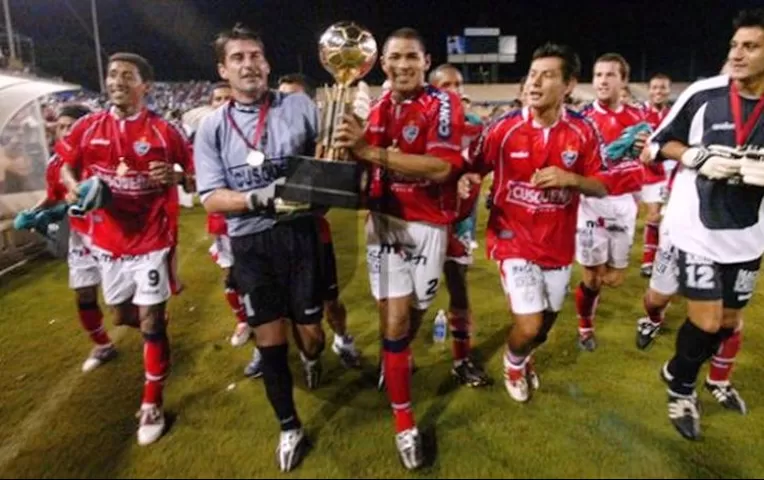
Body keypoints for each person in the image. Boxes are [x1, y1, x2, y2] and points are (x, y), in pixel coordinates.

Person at [193, 24, 326, 472]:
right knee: (271, 341)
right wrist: (257, 198)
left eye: (255, 55)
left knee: (310, 335)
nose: (248, 64)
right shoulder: (211, 126)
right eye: (238, 58)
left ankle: (313, 356)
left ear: (267, 63)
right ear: (223, 70)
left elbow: (329, 157)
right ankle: (289, 426)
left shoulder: (300, 105)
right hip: (250, 243)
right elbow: (210, 196)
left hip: (301, 234)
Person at [332, 27, 464, 470]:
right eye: (394, 58)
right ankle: (404, 423)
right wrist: (346, 144)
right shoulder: (376, 107)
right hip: (386, 220)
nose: (403, 65)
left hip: (429, 224)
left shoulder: (443, 103)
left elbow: (440, 167)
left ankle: (398, 355)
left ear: (425, 61)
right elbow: (359, 160)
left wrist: (370, 151)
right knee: (394, 317)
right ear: (381, 64)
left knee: (418, 308)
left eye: (411, 56)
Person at [458, 42, 607, 404]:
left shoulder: (584, 131)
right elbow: (471, 166)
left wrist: (570, 179)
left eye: (548, 75)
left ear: (569, 85)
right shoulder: (504, 128)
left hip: (557, 246)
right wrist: (464, 180)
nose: (535, 83)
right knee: (529, 325)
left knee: (545, 327)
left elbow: (603, 185)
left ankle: (526, 356)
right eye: (532, 75)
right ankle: (513, 364)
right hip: (513, 240)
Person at [57, 53, 193, 446]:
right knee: (122, 315)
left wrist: (177, 175)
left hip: (152, 239)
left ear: (145, 86)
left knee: (149, 321)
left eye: (127, 75)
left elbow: (198, 174)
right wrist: (74, 188)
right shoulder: (87, 126)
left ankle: (152, 401)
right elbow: (65, 165)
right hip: (108, 242)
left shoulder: (165, 131)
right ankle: (157, 334)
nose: (116, 80)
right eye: (112, 74)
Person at [645, 8, 764, 440]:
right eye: (735, 45)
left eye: (750, 47)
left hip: (749, 234)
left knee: (729, 322)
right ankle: (681, 388)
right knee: (708, 320)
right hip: (695, 227)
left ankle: (677, 368)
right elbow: (657, 145)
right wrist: (694, 155)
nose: (737, 54)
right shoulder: (704, 93)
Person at [634, 167, 746, 414]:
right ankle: (653, 319)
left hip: (738, 236)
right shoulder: (696, 128)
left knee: (729, 317)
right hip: (683, 227)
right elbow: (654, 150)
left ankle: (717, 378)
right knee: (658, 298)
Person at [575, 53, 646, 351]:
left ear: (623, 81)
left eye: (609, 75)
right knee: (592, 277)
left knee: (614, 278)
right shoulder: (581, 119)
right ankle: (585, 328)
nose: (602, 81)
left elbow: (649, 163)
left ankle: (600, 281)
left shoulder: (638, 120)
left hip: (623, 205)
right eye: (598, 75)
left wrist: (647, 153)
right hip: (590, 203)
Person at [427, 63, 490, 387]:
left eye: (458, 83)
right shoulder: (422, 123)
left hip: (462, 220)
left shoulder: (476, 125)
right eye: (445, 85)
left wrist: (472, 178)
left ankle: (461, 359)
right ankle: (395, 356)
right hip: (424, 219)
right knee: (409, 298)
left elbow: (485, 165)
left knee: (459, 289)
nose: (453, 90)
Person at [639, 73, 673, 277]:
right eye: (655, 87)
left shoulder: (674, 114)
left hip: (666, 171)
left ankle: (652, 260)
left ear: (669, 91)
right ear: (649, 90)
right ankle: (646, 259)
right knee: (650, 216)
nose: (658, 91)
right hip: (645, 171)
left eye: (663, 88)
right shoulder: (640, 113)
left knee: (660, 217)